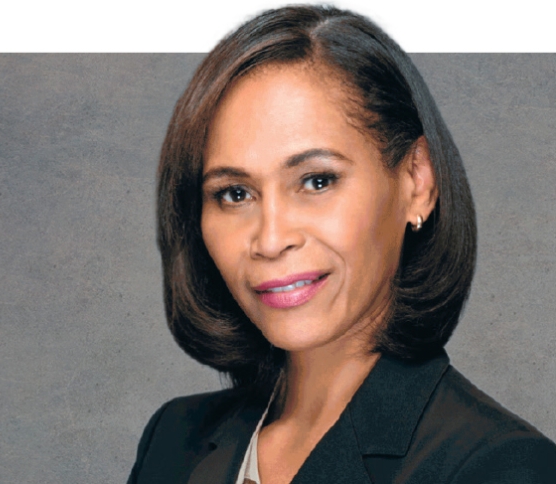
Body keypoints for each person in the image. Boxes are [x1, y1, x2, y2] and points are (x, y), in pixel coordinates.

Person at [127, 5, 556, 484]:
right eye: (235, 193)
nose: (271, 239)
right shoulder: (174, 440)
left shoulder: (502, 465)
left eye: (316, 181)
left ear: (417, 181)